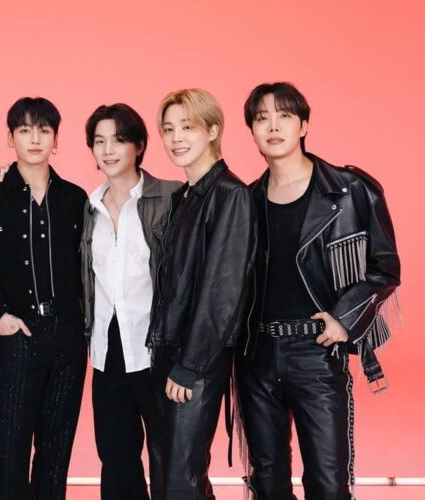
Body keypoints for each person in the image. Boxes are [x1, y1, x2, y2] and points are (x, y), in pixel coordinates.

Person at [236, 81, 401, 500]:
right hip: (256, 356)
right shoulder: (245, 202)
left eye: (284, 116)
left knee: (327, 484)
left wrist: (344, 319)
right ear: (252, 131)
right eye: (262, 118)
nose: (273, 126)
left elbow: (384, 267)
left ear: (304, 125)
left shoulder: (350, 191)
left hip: (317, 353)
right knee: (267, 483)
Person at [0, 97, 88, 500]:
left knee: (56, 451)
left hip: (69, 335)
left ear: (56, 139)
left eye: (44, 130)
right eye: (24, 130)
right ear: (10, 138)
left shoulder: (76, 200)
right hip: (19, 334)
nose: (34, 139)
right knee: (9, 449)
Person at [149, 88, 257, 499]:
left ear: (212, 131)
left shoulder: (230, 194)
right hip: (170, 351)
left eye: (188, 127)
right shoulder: (184, 197)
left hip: (197, 359)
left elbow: (223, 292)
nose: (176, 138)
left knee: (182, 476)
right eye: (168, 129)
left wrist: (190, 365)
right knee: (170, 472)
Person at [80, 103, 182, 500]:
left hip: (158, 347)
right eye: (99, 141)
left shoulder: (172, 197)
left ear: (139, 145)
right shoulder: (88, 207)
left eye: (119, 140)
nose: (108, 150)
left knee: (170, 456)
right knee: (117, 458)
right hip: (108, 350)